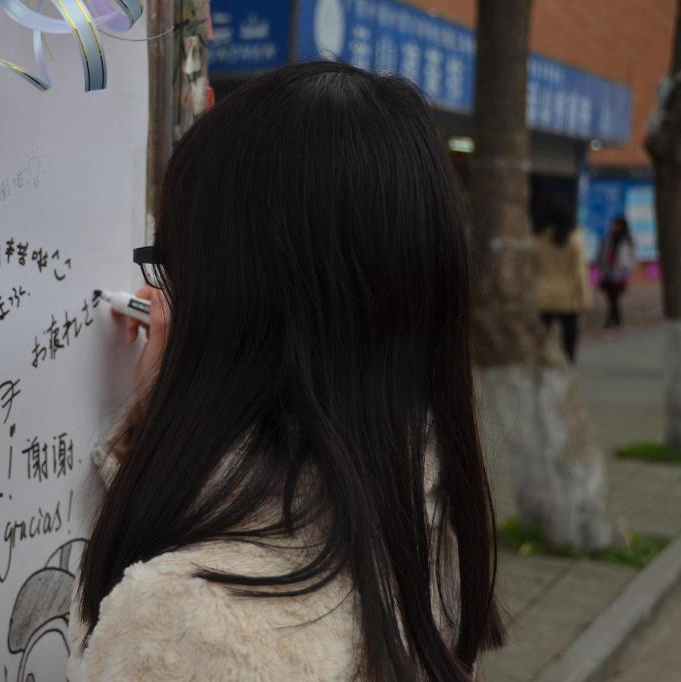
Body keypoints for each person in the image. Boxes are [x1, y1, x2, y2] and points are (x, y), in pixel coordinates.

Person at [70, 62, 504, 681]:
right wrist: (159, 424)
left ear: (233, 302)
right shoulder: (417, 521)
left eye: (173, 263)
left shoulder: (188, 623)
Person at [534, 199, 591, 362]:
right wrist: (584, 298)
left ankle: (543, 366)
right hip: (568, 298)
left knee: (542, 340)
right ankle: (567, 367)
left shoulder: (538, 240)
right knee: (569, 341)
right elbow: (579, 272)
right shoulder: (574, 240)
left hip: (542, 296)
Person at [597, 216, 636, 329]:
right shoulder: (607, 238)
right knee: (611, 298)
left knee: (614, 298)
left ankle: (612, 320)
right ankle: (616, 320)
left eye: (615, 225)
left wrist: (627, 269)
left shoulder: (628, 240)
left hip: (620, 273)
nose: (613, 227)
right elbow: (601, 254)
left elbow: (632, 257)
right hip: (608, 272)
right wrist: (601, 266)